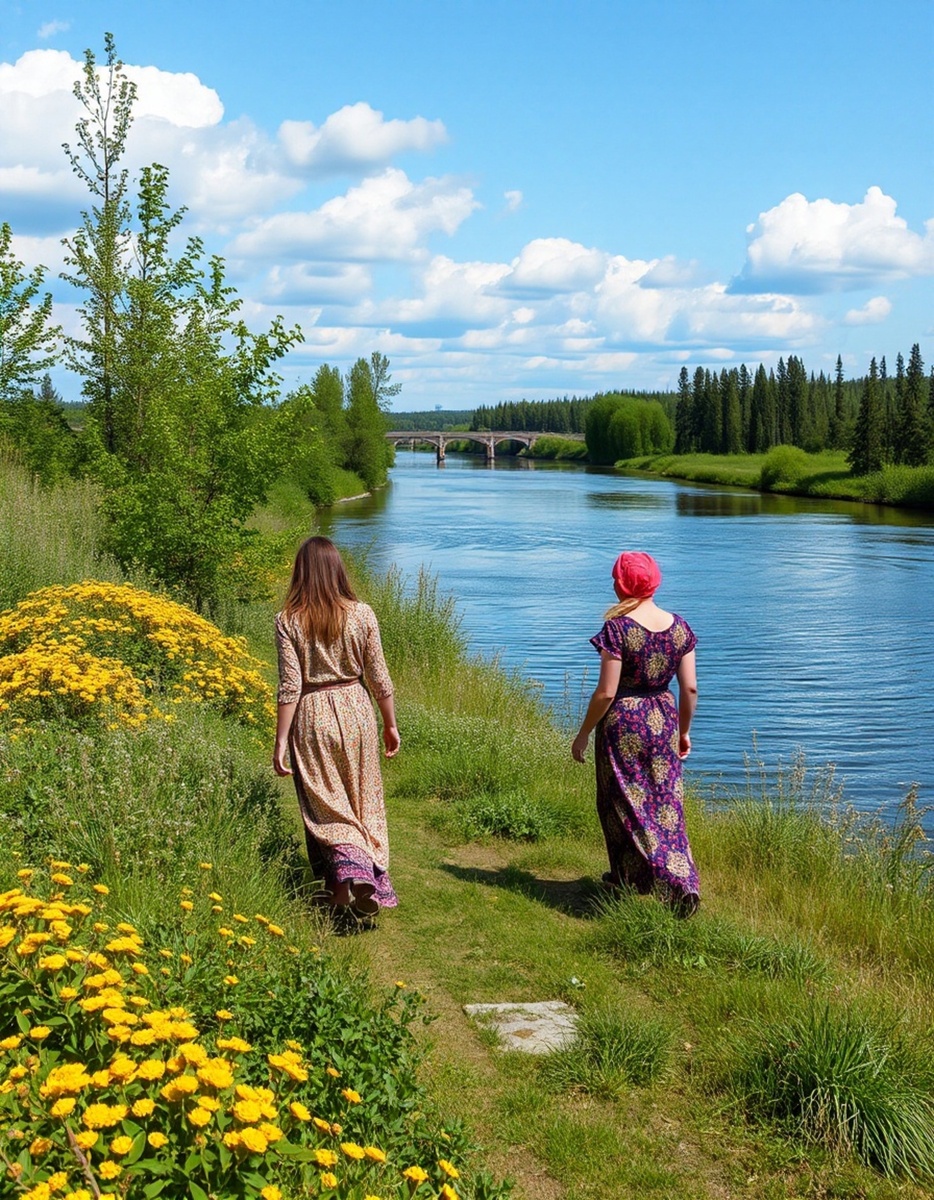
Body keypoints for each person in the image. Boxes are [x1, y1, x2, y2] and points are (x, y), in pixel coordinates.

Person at [273, 536, 400, 916]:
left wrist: (280, 741)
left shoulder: (287, 621)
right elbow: (379, 676)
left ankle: (345, 880)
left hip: (312, 715)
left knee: (326, 805)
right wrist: (390, 724)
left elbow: (290, 686)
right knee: (363, 800)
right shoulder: (363, 614)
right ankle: (360, 878)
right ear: (338, 570)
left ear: (301, 573)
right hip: (356, 709)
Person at [572, 550, 699, 916]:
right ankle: (680, 878)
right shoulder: (679, 627)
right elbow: (690, 689)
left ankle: (649, 878)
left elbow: (607, 692)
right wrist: (684, 732)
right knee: (667, 804)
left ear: (622, 584)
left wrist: (583, 734)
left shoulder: (617, 628)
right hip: (664, 718)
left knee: (623, 803)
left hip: (623, 722)